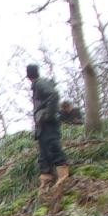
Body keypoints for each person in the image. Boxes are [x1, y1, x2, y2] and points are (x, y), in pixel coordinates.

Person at [26, 64, 68, 200]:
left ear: (29, 76)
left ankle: (63, 176)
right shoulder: (37, 86)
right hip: (42, 125)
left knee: (52, 145)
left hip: (48, 123)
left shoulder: (40, 83)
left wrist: (47, 115)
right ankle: (46, 180)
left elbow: (54, 95)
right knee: (43, 153)